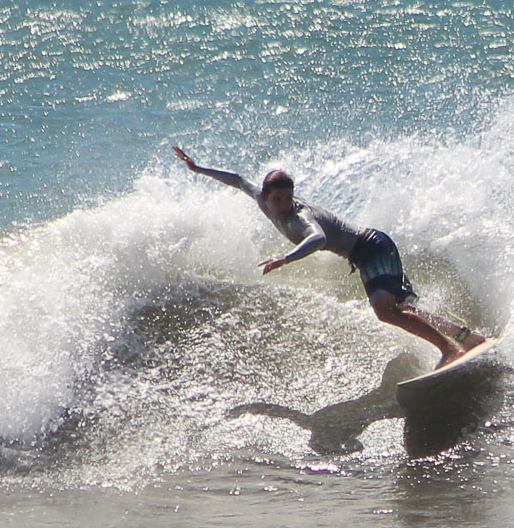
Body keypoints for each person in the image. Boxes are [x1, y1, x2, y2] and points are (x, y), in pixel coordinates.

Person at [173, 146, 482, 367]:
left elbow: (318, 238)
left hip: (371, 247)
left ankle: (448, 349)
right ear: (266, 197)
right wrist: (198, 169)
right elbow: (239, 179)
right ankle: (466, 337)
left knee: (385, 311)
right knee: (401, 308)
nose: (282, 205)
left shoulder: (300, 218)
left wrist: (287, 258)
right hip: (367, 252)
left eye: (287, 198)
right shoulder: (263, 200)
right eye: (276, 199)